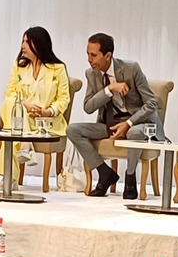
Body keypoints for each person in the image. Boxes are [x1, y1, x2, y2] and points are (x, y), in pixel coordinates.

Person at [70, 32, 163, 199]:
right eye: (88, 54)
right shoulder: (91, 74)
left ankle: (130, 178)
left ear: (108, 55)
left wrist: (128, 123)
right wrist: (109, 89)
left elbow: (151, 103)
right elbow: (88, 107)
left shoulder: (131, 68)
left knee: (133, 133)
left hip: (138, 124)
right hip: (110, 124)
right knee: (72, 130)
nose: (89, 59)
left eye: (93, 55)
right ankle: (104, 172)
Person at [0, 27, 70, 185]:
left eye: (27, 42)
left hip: (46, 122)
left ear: (39, 44)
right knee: (11, 103)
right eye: (22, 41)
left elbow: (64, 99)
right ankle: (24, 146)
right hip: (22, 116)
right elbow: (9, 92)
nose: (22, 45)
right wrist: (26, 105)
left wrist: (47, 112)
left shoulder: (58, 68)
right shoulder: (19, 66)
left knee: (12, 125)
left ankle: (9, 177)